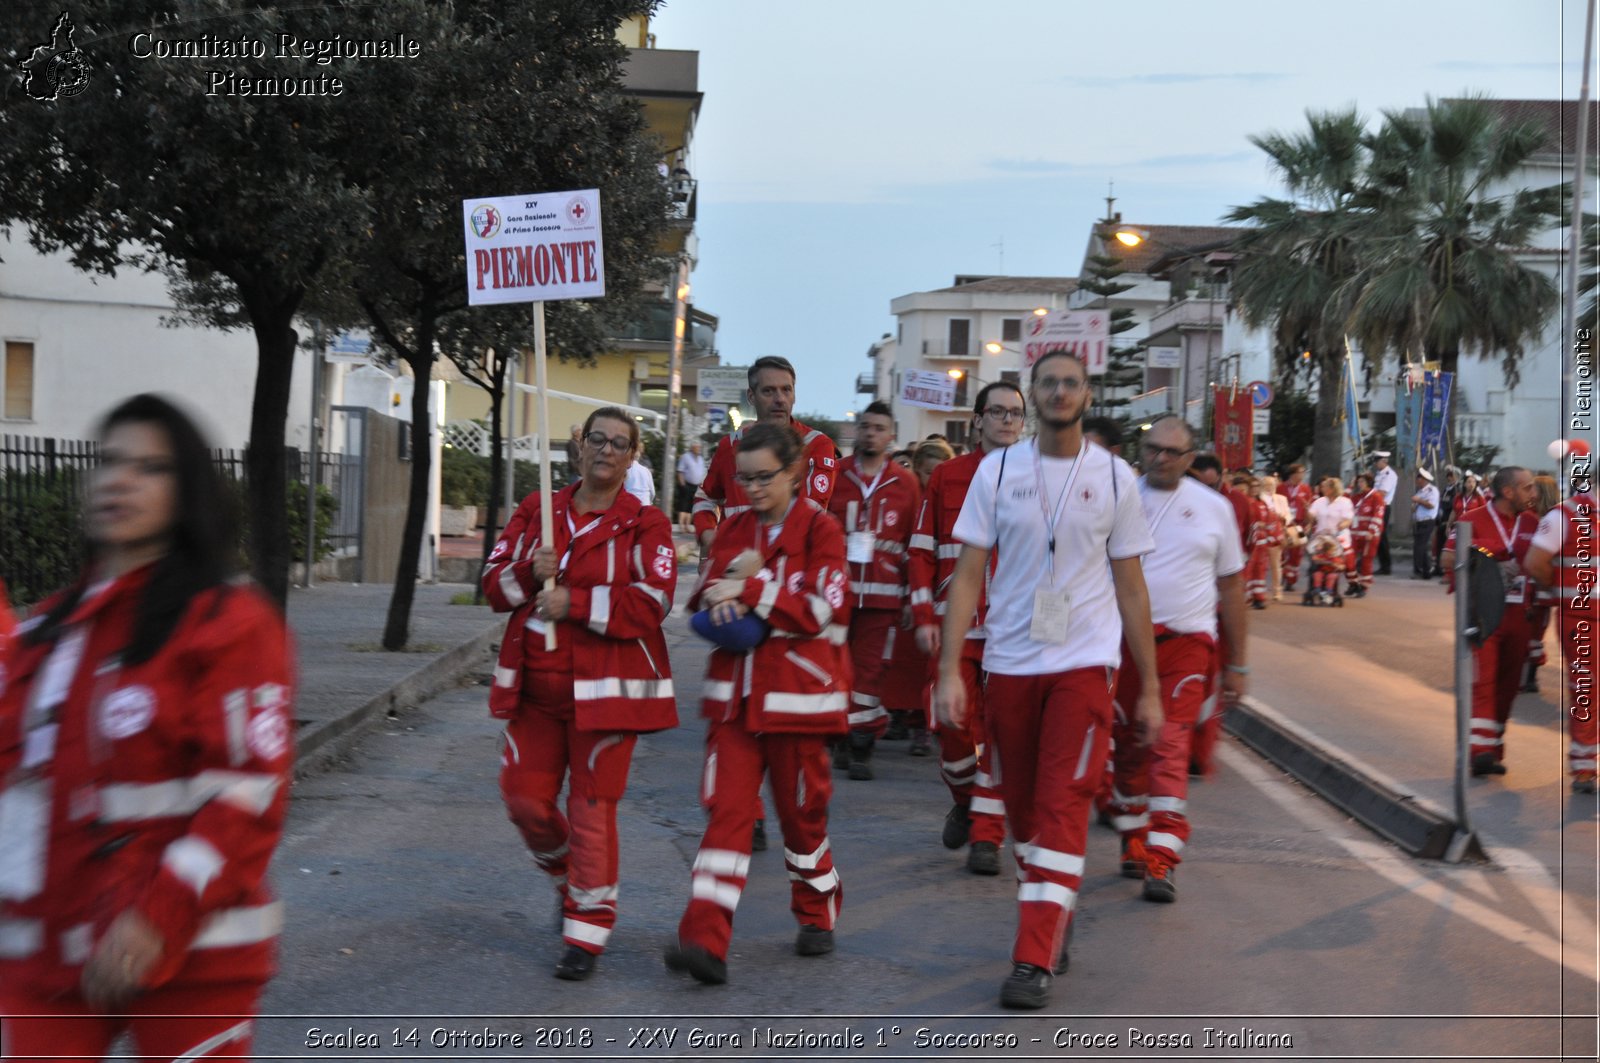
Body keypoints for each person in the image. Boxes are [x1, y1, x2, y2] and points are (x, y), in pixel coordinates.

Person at [0, 394, 294, 1062]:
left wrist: (156, 917)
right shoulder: (47, 629)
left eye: (150, 467)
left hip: (193, 950)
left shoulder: (229, 622)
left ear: (187, 490)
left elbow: (246, 796)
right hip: (47, 953)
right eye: (109, 461)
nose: (121, 480)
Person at [934, 350, 1161, 1009]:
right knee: (1028, 813)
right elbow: (968, 574)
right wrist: (950, 668)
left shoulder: (1115, 476)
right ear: (1032, 395)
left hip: (1084, 666)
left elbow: (1132, 588)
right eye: (1049, 382)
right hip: (1009, 662)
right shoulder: (997, 471)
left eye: (1071, 382)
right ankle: (1054, 910)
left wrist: (1146, 685)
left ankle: (1032, 956)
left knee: (1063, 804)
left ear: (1087, 393)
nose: (1060, 391)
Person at [481, 408, 677, 982]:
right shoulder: (537, 508)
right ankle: (571, 880)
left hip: (606, 697)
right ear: (579, 445)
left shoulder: (647, 523)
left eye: (620, 444)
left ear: (633, 456)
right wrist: (526, 569)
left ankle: (586, 934)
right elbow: (493, 586)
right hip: (535, 696)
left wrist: (577, 603)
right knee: (523, 802)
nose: (607, 451)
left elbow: (654, 603)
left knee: (591, 812)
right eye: (598, 439)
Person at [665, 423, 850, 985]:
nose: (750, 489)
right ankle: (704, 941)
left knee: (801, 823)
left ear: (794, 472)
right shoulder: (734, 528)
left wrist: (749, 592)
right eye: (742, 478)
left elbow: (821, 610)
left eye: (763, 477)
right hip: (734, 705)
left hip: (799, 703)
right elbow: (706, 592)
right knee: (728, 818)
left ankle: (818, 908)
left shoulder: (823, 530)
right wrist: (714, 604)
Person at [690, 357, 838, 848]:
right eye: (769, 390)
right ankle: (744, 809)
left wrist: (758, 578)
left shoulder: (816, 447)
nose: (779, 398)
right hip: (732, 573)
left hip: (785, 589)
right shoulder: (730, 447)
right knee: (735, 699)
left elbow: (811, 511)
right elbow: (703, 497)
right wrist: (711, 539)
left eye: (786, 389)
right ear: (751, 397)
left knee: (799, 790)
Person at [1106, 414, 1247, 903]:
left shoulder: (1214, 509)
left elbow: (1232, 587)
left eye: (1172, 452)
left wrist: (1238, 664)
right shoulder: (1115, 496)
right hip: (1121, 642)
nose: (1161, 458)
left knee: (1169, 742)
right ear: (1141, 451)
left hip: (1187, 644)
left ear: (1190, 459)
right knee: (1128, 745)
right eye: (1153, 449)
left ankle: (1162, 858)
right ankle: (1133, 834)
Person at [908, 382, 1025, 875]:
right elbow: (920, 549)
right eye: (996, 412)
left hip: (1017, 628)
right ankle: (967, 797)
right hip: (957, 624)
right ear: (977, 420)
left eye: (1015, 414)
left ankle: (987, 836)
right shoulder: (949, 476)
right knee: (951, 725)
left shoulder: (1042, 478)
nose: (1006, 420)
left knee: (1000, 733)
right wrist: (922, 615)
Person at [827, 400, 920, 780]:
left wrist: (914, 595)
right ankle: (837, 734)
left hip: (883, 594)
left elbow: (916, 543)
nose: (871, 433)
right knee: (834, 665)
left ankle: (862, 742)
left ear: (891, 436)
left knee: (869, 671)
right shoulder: (836, 475)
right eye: (865, 426)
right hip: (837, 592)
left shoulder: (906, 483)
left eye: (879, 428)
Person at [1443, 465, 1539, 778]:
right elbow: (1447, 559)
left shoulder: (1532, 522)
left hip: (1520, 615)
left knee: (1508, 687)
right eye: (1527, 488)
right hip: (1483, 615)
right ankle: (1479, 751)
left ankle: (1493, 747)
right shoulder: (1471, 519)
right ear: (1508, 491)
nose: (1533, 494)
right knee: (1482, 682)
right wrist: (1494, 552)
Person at [1524, 466, 1598, 792]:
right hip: (1582, 619)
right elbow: (1535, 562)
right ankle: (1585, 766)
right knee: (1586, 690)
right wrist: (1562, 592)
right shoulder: (1563, 516)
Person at [1243, 476, 1283, 609]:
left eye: (1256, 487)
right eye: (1252, 487)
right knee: (1248, 570)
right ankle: (1246, 597)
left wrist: (1272, 535)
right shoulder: (1245, 502)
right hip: (1249, 542)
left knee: (1260, 569)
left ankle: (1259, 597)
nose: (1254, 489)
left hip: (1262, 542)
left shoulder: (1262, 503)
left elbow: (1271, 521)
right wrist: (1255, 525)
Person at [1345, 472, 1386, 597]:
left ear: (1368, 483)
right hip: (1354, 534)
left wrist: (1372, 531)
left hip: (1369, 535)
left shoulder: (1376, 497)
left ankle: (1364, 585)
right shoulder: (1357, 497)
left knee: (1366, 560)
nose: (1359, 484)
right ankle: (1353, 583)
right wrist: (1350, 487)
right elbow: (1342, 501)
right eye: (1358, 482)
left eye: (1362, 482)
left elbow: (1378, 515)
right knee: (1348, 559)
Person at [1277, 464, 1314, 591]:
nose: (1303, 475)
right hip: (1284, 524)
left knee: (1297, 552)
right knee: (1282, 551)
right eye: (1300, 472)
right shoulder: (1280, 488)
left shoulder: (1306, 489)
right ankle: (1282, 575)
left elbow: (1310, 508)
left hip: (1300, 525)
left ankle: (1291, 580)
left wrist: (1309, 523)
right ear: (1293, 474)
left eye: (1304, 472)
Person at [1260, 475, 1292, 600]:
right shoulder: (1259, 498)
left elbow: (1289, 514)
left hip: (1277, 534)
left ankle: (1277, 591)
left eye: (1272, 485)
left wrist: (1285, 518)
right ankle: (1260, 590)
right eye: (1267, 485)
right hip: (1263, 534)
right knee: (1261, 564)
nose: (1269, 487)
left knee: (1276, 564)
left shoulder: (1281, 499)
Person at [1409, 469, 1440, 580]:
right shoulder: (1420, 491)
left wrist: (1419, 500)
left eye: (1419, 478)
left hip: (1427, 521)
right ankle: (1425, 571)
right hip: (1418, 521)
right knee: (1418, 546)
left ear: (1425, 480)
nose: (1417, 480)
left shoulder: (1432, 490)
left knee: (1420, 546)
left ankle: (1420, 570)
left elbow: (1431, 505)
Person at [1371, 451, 1398, 575]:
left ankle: (1386, 566)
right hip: (1375, 506)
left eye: (1377, 461)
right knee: (1376, 535)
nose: (1376, 464)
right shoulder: (1379, 474)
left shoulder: (1389, 474)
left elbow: (1382, 492)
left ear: (1384, 461)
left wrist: (1369, 495)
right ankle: (1382, 565)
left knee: (1381, 536)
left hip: (1383, 506)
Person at [676, 441, 707, 532]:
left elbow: (703, 472)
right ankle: (681, 525)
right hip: (686, 484)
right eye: (697, 447)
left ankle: (687, 525)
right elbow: (680, 471)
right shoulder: (686, 457)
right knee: (683, 505)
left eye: (699, 447)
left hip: (697, 486)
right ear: (692, 447)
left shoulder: (701, 459)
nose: (699, 449)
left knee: (691, 507)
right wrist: (682, 485)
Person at [623, 440, 656, 507]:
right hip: (645, 504)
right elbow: (652, 492)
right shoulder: (646, 471)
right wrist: (650, 502)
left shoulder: (625, 470)